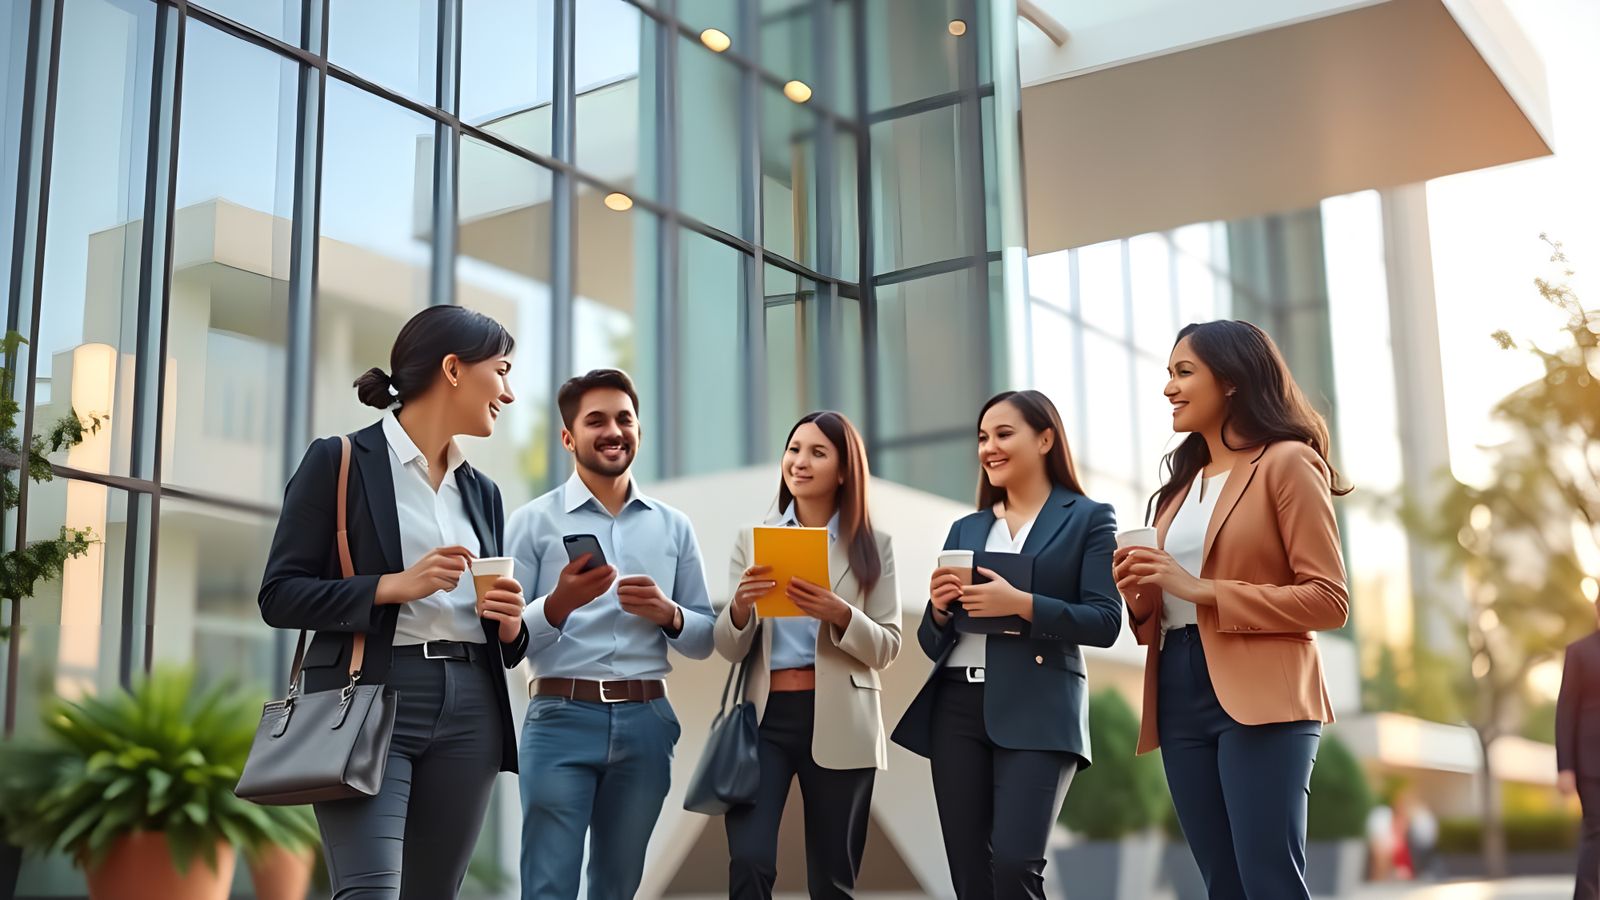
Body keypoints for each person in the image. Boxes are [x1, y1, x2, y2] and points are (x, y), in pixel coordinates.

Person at [258, 306, 528, 899]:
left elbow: (499, 632)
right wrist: (391, 586)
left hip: (472, 709)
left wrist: (511, 627)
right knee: (369, 891)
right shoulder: (339, 461)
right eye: (502, 371)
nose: (508, 393)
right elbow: (279, 596)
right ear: (453, 369)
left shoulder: (483, 492)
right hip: (371, 698)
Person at [1113, 320, 1350, 900]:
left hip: (1265, 689)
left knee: (1268, 879)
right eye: (1169, 373)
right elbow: (1163, 611)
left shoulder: (1287, 463)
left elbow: (1328, 599)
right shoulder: (1177, 488)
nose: (1168, 387)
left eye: (1184, 371)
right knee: (1221, 883)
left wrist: (1202, 589)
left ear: (1234, 381)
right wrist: (1139, 591)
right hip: (1178, 684)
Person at [891, 389, 1121, 900]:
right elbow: (934, 643)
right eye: (982, 437)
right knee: (970, 876)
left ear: (1045, 438)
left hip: (1040, 707)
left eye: (1002, 434)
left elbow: (1106, 622)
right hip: (956, 708)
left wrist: (1021, 603)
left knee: (1016, 866)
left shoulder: (1088, 517)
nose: (988, 447)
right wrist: (939, 609)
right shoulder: (967, 527)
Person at [506, 368, 716, 900]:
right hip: (559, 718)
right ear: (569, 437)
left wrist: (669, 614)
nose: (613, 430)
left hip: (647, 722)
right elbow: (505, 643)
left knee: (617, 886)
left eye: (624, 418)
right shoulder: (532, 522)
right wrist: (557, 605)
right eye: (595, 420)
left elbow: (704, 639)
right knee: (549, 884)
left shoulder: (674, 526)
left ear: (639, 430)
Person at [718, 411, 902, 899]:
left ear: (844, 471)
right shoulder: (752, 541)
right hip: (763, 721)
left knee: (833, 881)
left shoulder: (873, 548)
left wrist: (840, 613)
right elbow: (729, 647)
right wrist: (740, 606)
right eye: (794, 449)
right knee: (750, 861)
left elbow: (888, 646)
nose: (799, 462)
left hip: (842, 717)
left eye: (817, 452)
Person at [1557, 598, 1600, 900]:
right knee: (1596, 831)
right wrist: (1565, 767)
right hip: (1591, 764)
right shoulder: (1579, 652)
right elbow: (1566, 711)